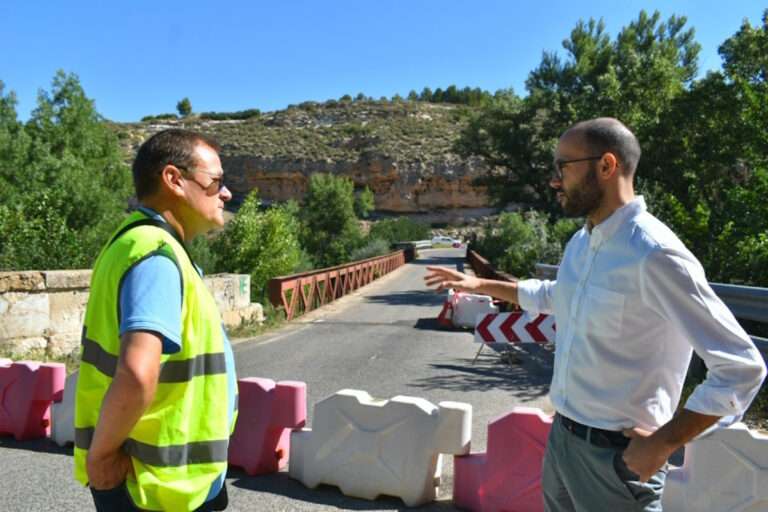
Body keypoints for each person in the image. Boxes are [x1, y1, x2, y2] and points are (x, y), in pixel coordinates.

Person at [425, 117, 766, 511]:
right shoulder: (582, 242)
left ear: (606, 166)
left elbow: (742, 367)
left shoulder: (655, 255)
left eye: (562, 167)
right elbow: (556, 295)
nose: (555, 180)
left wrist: (662, 443)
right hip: (563, 441)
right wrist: (482, 286)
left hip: (616, 460)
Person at [74, 129, 238, 511]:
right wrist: (100, 458)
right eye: (216, 182)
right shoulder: (156, 255)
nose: (226, 194)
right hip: (156, 487)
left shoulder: (147, 246)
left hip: (177, 482)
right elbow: (137, 372)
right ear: (174, 180)